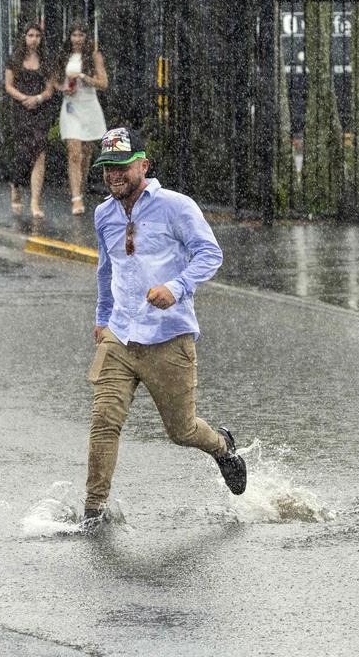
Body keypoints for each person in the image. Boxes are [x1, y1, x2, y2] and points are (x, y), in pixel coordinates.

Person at [82, 127, 246, 530]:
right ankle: (92, 510)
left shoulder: (176, 206)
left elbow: (211, 253)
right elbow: (107, 271)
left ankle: (223, 448)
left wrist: (177, 287)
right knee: (104, 419)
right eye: (106, 168)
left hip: (169, 336)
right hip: (120, 334)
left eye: (121, 166)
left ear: (143, 165)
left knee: (182, 430)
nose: (113, 175)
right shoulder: (104, 213)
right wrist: (102, 319)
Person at [5, 23, 57, 219]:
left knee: (39, 153)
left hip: (41, 110)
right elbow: (8, 86)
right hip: (21, 110)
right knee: (23, 151)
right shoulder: (14, 60)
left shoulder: (46, 61)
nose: (34, 39)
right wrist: (24, 98)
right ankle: (15, 184)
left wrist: (38, 98)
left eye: (37, 35)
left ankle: (35, 201)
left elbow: (49, 89)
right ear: (24, 37)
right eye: (30, 35)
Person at [59, 24, 109, 216]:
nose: (77, 38)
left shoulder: (94, 55)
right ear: (69, 36)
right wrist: (63, 86)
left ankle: (80, 187)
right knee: (74, 152)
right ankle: (76, 198)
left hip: (89, 107)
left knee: (86, 154)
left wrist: (82, 77)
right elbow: (54, 80)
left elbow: (103, 83)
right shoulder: (64, 56)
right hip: (71, 107)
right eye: (74, 34)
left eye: (81, 34)